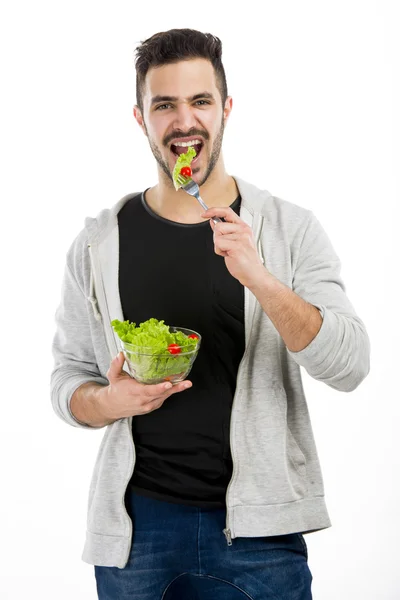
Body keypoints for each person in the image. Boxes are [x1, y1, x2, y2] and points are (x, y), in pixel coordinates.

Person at [50, 28, 370, 600]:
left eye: (200, 101)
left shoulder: (289, 228)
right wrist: (107, 401)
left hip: (261, 534)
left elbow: (349, 365)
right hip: (135, 532)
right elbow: (68, 379)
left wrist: (259, 276)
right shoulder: (100, 242)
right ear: (140, 118)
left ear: (225, 109)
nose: (184, 121)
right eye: (164, 105)